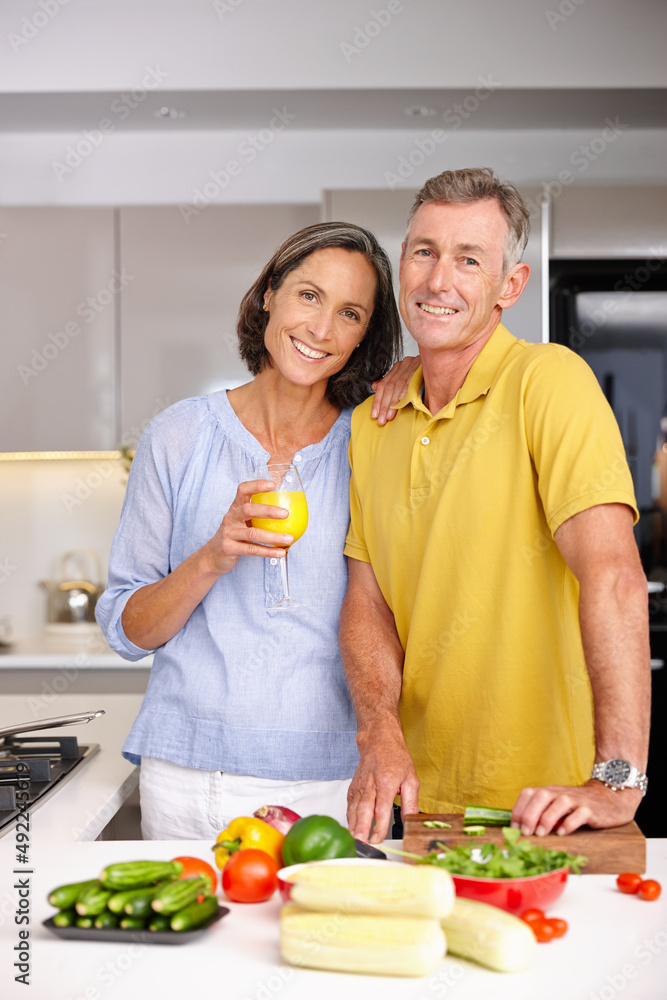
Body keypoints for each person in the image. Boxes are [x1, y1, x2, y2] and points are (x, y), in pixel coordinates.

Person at [340, 167, 651, 844]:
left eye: (468, 259)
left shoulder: (548, 383)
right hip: (425, 804)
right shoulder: (373, 425)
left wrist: (618, 777)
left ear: (509, 285)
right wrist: (379, 732)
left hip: (550, 805)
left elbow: (612, 574)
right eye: (423, 251)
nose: (437, 280)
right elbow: (367, 600)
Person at [95, 220, 415, 840]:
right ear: (270, 293)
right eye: (309, 295)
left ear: (363, 336)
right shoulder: (178, 436)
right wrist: (213, 556)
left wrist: (419, 370)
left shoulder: (374, 442)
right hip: (190, 778)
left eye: (350, 313)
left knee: (317, 939)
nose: (321, 329)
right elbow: (128, 632)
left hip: (334, 780)